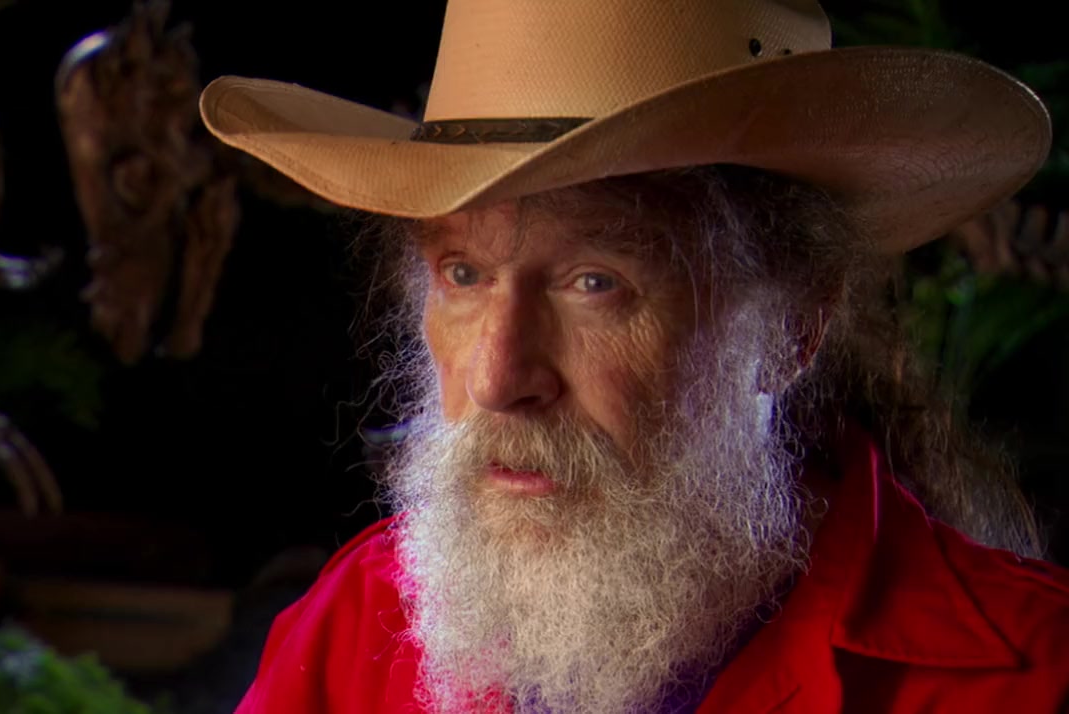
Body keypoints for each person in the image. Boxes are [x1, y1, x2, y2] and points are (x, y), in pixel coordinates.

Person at [198, 1, 1069, 711]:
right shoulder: (359, 622)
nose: (497, 379)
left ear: (791, 330)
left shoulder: (1033, 679)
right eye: (463, 274)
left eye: (594, 283)